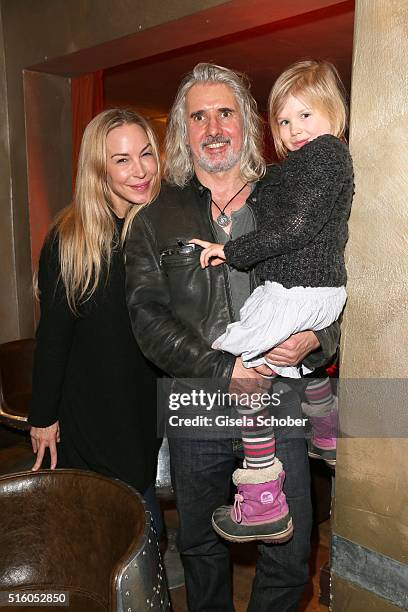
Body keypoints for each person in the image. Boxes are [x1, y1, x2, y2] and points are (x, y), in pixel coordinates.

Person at [125, 63, 340, 611]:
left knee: (291, 558)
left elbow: (332, 280)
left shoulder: (292, 191)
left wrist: (317, 338)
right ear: (183, 131)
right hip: (196, 401)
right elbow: (148, 319)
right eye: (198, 116)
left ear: (247, 123)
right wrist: (226, 370)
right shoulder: (156, 213)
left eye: (225, 112)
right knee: (200, 550)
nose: (213, 127)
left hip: (280, 399)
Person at [190, 60, 353, 543]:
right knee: (271, 361)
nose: (294, 129)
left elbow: (297, 228)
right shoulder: (295, 169)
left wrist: (232, 249)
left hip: (298, 292)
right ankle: (326, 429)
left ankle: (263, 499)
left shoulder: (324, 157)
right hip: (299, 291)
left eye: (306, 115)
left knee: (245, 372)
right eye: (284, 120)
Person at [28, 108, 163, 534]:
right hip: (95, 411)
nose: (140, 171)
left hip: (146, 402)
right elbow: (53, 337)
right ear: (97, 169)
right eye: (121, 160)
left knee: (140, 522)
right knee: (109, 533)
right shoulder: (72, 238)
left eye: (145, 154)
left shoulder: (157, 228)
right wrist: (43, 417)